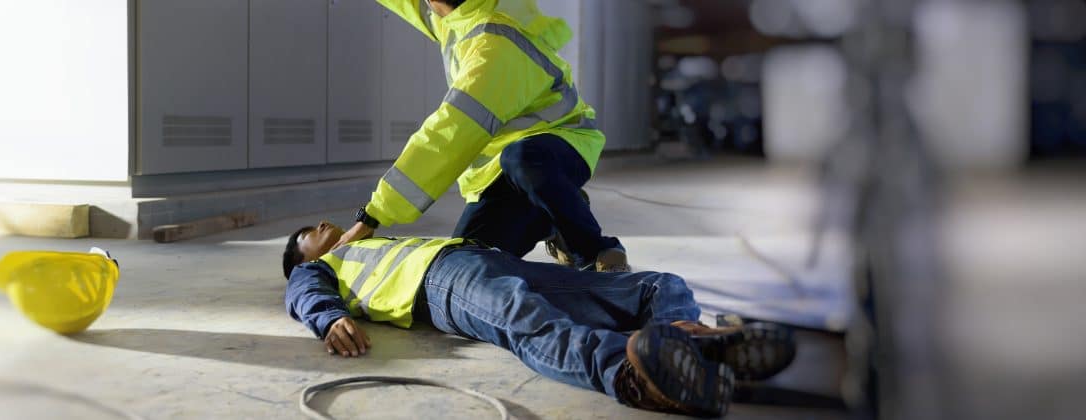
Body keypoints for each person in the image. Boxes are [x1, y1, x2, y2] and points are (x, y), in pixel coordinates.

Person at [283, 221, 797, 417]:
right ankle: (633, 375)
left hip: (490, 260)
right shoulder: (323, 268)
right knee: (529, 321)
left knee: (658, 286)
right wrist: (328, 319)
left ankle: (691, 340)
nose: (325, 224)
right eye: (312, 231)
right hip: (441, 284)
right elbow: (303, 291)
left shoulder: (379, 240)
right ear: (308, 255)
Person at [335, 0, 627, 272]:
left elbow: (446, 137)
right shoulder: (453, 14)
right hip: (498, 171)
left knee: (524, 158)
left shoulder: (494, 45)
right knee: (465, 265)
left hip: (560, 141)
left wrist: (374, 215)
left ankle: (592, 249)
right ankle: (551, 215)